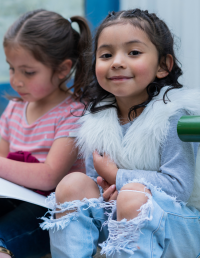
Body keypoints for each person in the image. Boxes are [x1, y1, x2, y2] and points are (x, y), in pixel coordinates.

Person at [41, 9, 200, 258]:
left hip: (177, 226)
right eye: (106, 54)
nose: (116, 61)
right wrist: (107, 187)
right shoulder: (97, 121)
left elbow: (178, 186)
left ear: (162, 65)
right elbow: (98, 181)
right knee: (73, 184)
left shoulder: (173, 115)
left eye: (133, 52)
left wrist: (118, 177)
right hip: (119, 220)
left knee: (132, 195)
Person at [0, 9, 91, 258]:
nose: (16, 81)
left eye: (28, 72)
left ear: (62, 69)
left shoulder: (73, 114)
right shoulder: (15, 108)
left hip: (48, 210)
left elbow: (49, 177)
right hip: (12, 199)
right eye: (11, 68)